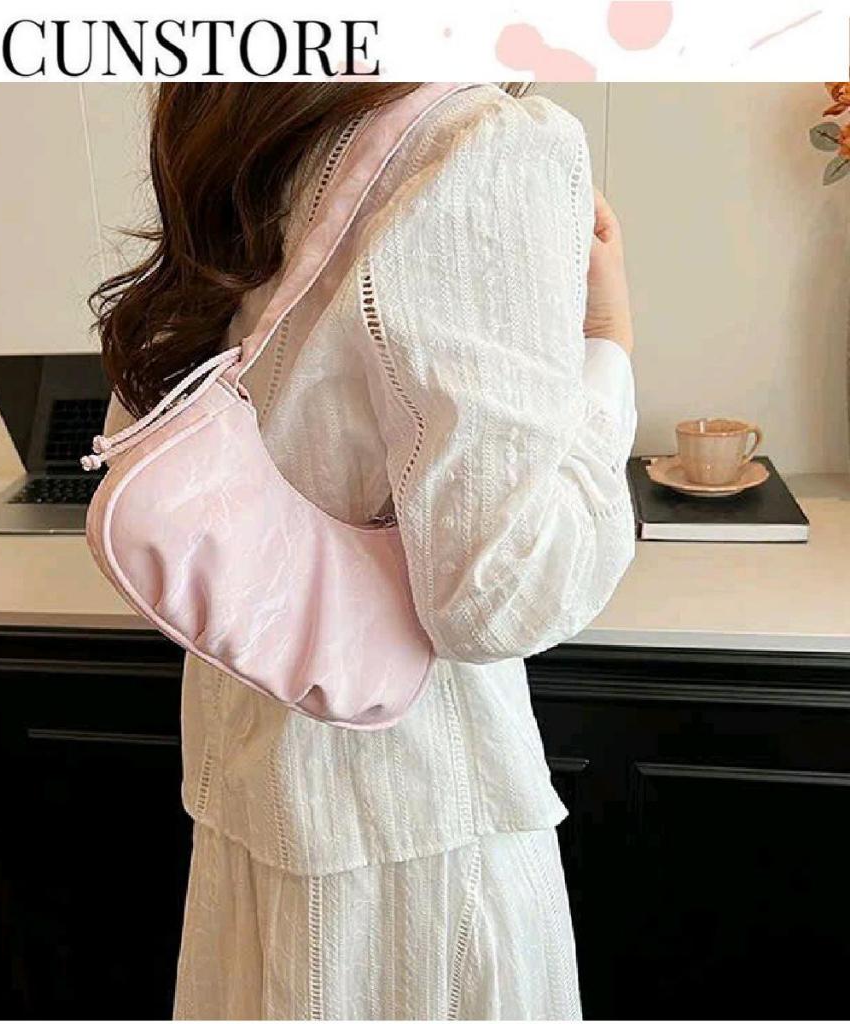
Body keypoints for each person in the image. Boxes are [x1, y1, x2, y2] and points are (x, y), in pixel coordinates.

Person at [91, 81, 637, 1021]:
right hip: (419, 841)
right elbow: (501, 595)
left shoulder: (233, 111)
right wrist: (608, 347)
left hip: (261, 795)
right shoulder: (481, 141)